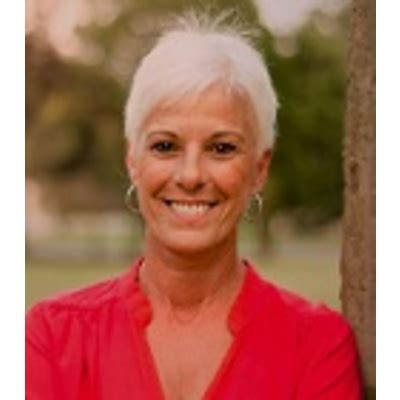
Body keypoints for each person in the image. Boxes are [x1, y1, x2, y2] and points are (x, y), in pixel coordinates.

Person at [26, 12, 363, 400]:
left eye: (221, 148)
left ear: (259, 168)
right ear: (133, 160)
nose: (190, 175)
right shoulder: (53, 337)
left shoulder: (316, 344)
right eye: (165, 146)